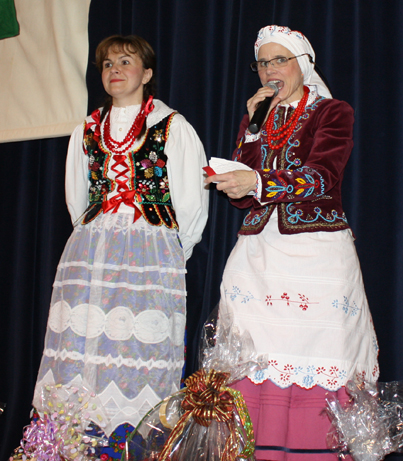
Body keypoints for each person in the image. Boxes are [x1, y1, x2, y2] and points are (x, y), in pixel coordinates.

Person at [26, 35, 208, 459]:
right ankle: (76, 445)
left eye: (125, 62)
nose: (114, 70)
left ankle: (132, 448)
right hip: (92, 251)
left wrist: (168, 255)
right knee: (84, 344)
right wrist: (97, 238)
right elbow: (79, 198)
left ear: (146, 74)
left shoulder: (172, 127)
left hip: (151, 251)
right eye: (107, 64)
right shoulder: (87, 130)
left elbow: (191, 202)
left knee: (136, 349)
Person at [205, 25, 379, 460]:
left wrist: (258, 180)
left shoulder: (333, 111)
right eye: (263, 62)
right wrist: (249, 138)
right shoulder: (256, 117)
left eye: (279, 60)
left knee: (320, 354)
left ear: (302, 65)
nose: (269, 70)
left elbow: (323, 176)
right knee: (252, 358)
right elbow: (246, 197)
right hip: (259, 254)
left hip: (316, 251)